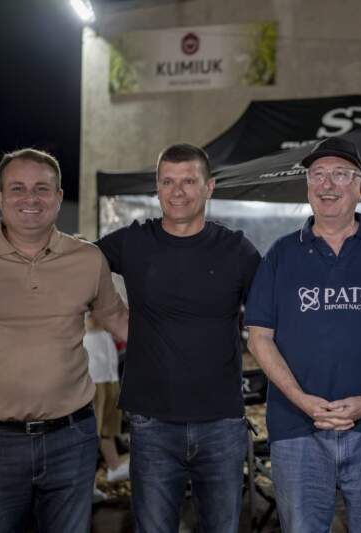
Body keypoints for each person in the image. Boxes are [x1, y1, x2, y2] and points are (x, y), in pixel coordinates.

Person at [0, 148, 128, 533]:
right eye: (17, 188)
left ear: (59, 196)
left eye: (42, 188)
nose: (30, 198)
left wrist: (198, 330)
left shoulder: (87, 259)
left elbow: (121, 322)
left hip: (73, 439)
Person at [245, 136, 361, 533]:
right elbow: (258, 337)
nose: (327, 184)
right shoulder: (280, 254)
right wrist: (303, 402)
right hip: (297, 429)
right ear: (308, 185)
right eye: (318, 175)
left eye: (341, 175)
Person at [97, 143, 261, 533]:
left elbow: (269, 325)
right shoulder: (133, 242)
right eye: (167, 181)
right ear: (157, 187)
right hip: (153, 424)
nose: (177, 191)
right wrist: (114, 318)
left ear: (210, 187)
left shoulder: (237, 249)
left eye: (189, 181)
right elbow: (72, 267)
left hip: (221, 422)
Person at [83, 313, 128, 485]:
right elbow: (90, 323)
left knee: (107, 426)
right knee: (92, 429)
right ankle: (88, 483)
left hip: (108, 369)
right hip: (94, 370)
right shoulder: (83, 293)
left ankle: (114, 467)